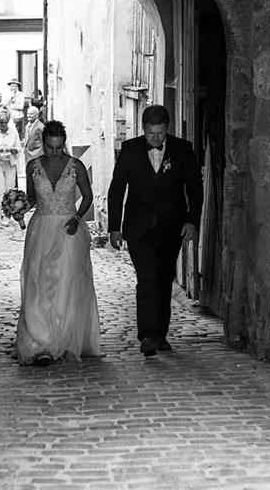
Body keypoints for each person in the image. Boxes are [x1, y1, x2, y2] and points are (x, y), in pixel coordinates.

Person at [107, 104, 203, 357]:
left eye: (160, 134)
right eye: (151, 134)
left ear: (167, 129)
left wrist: (192, 221)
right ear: (143, 129)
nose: (156, 138)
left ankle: (160, 333)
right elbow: (117, 188)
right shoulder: (130, 150)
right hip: (139, 228)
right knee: (147, 279)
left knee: (163, 279)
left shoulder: (183, 150)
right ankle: (147, 335)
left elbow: (195, 188)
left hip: (172, 227)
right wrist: (114, 227)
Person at [15, 120, 101, 365]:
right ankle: (39, 342)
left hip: (67, 229)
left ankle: (63, 338)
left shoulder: (76, 166)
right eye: (50, 147)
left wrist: (77, 218)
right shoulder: (33, 167)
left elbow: (88, 196)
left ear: (64, 144)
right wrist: (20, 208)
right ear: (43, 144)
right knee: (38, 282)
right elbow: (32, 198)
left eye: (59, 147)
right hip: (41, 228)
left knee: (65, 282)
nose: (55, 152)